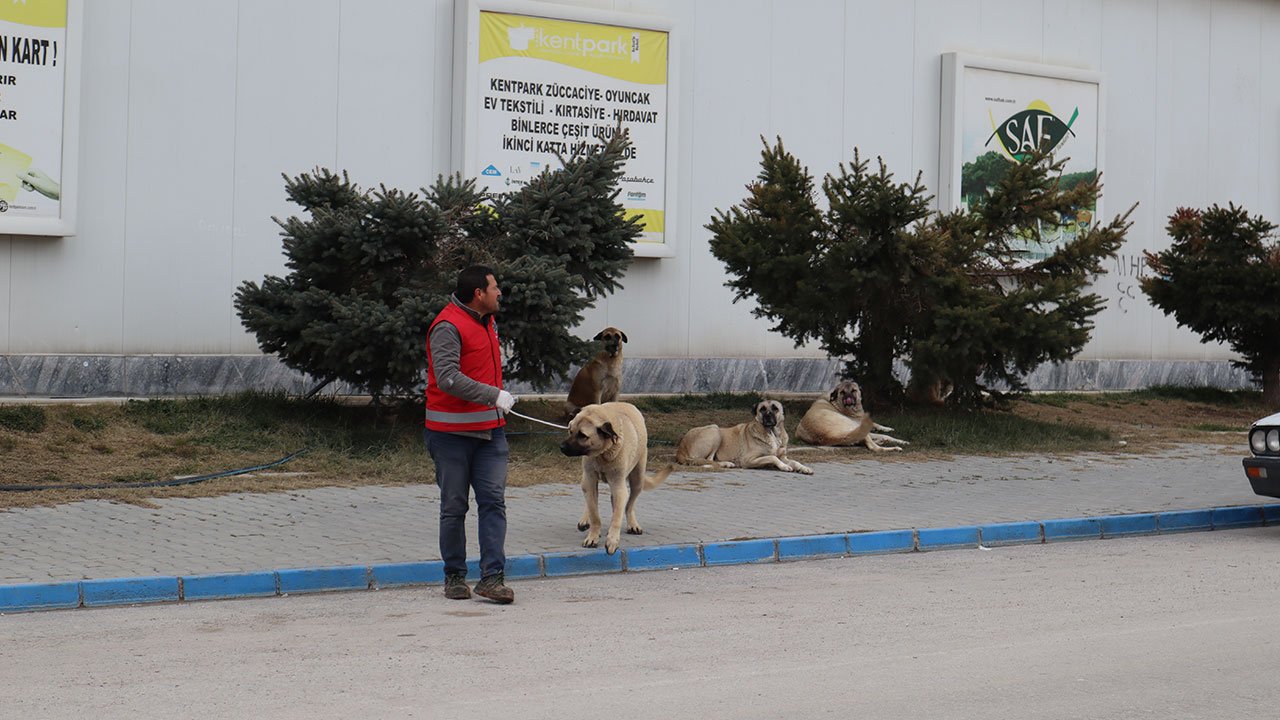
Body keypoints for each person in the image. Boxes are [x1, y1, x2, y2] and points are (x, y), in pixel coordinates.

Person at [424, 265, 518, 604]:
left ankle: (492, 579)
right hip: (450, 435)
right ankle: (454, 577)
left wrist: (496, 403)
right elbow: (447, 377)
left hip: (491, 433)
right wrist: (493, 395)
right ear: (479, 293)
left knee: (493, 502)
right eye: (495, 288)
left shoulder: (487, 321)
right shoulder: (448, 326)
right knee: (454, 507)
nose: (499, 293)